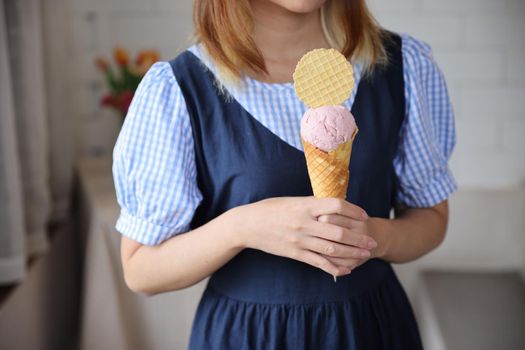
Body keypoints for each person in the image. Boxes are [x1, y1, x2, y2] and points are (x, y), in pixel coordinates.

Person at [112, 0, 457, 348]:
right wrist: (241, 227)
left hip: (371, 329)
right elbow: (141, 271)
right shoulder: (179, 88)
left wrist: (373, 237)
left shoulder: (401, 65)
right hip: (247, 336)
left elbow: (432, 218)